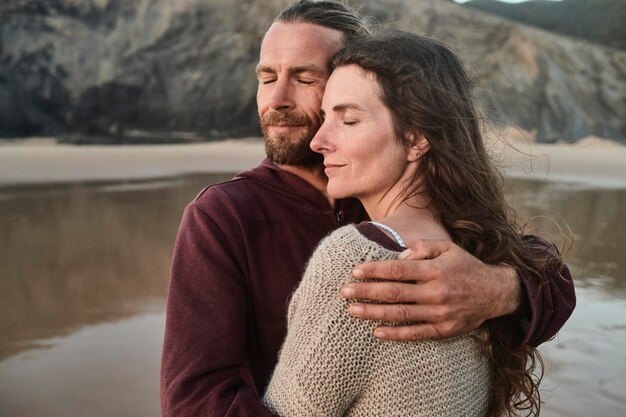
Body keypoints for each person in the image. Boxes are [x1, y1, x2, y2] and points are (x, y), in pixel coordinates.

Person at [160, 2, 575, 416]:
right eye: (267, 77)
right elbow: (195, 402)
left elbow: (548, 275)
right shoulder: (222, 215)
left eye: (305, 77)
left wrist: (497, 290)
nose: (278, 99)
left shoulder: (403, 201)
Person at [263, 29, 552, 417]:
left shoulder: (354, 261)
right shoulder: (478, 252)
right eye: (325, 116)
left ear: (416, 139)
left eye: (348, 119)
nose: (319, 140)